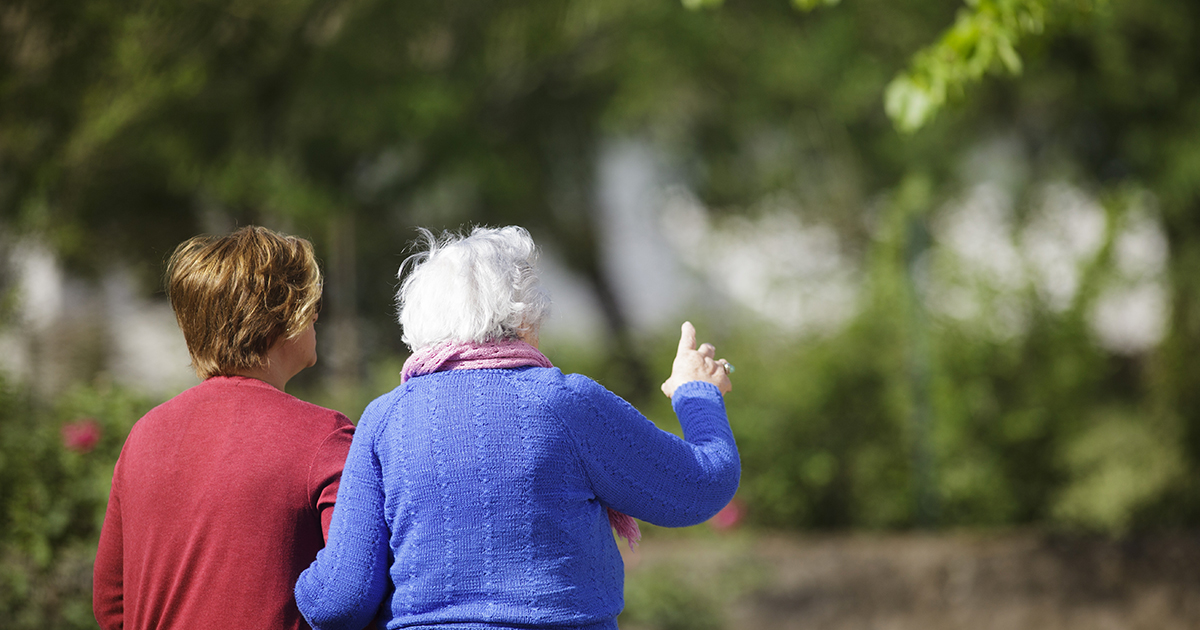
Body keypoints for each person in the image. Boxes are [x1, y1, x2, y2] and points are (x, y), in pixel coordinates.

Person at [295, 225, 739, 630]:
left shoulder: (383, 419)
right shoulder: (565, 403)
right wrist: (696, 392)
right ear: (523, 319)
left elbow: (341, 600)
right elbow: (701, 485)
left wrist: (285, 579)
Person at [93, 226, 355, 630]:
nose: (317, 313)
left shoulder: (144, 435)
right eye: (309, 301)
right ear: (281, 315)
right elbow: (357, 589)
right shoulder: (322, 437)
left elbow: (111, 606)